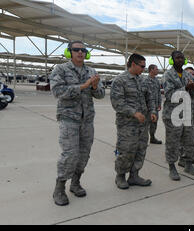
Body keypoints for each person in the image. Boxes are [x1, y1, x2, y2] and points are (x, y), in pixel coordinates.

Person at [50, 40, 105, 206]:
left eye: (83, 50)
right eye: (76, 50)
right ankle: (59, 188)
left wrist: (95, 87)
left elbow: (101, 94)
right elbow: (58, 91)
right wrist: (83, 86)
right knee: (70, 154)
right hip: (69, 119)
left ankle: (75, 182)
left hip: (87, 120)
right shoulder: (61, 69)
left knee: (84, 154)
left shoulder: (91, 71)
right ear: (70, 52)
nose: (80, 52)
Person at [110, 53, 156, 190]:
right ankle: (120, 176)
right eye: (142, 66)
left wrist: (153, 111)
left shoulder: (143, 81)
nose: (144, 69)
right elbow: (117, 103)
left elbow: (150, 98)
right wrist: (134, 113)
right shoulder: (120, 80)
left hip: (143, 124)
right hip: (127, 124)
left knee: (141, 149)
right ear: (133, 64)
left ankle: (134, 175)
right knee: (126, 150)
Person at [163, 51, 194, 180]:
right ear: (172, 60)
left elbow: (193, 96)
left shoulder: (187, 75)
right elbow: (169, 95)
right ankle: (172, 167)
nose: (180, 60)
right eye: (177, 58)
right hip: (173, 114)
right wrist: (186, 87)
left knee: (189, 140)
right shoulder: (168, 75)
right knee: (173, 142)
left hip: (187, 114)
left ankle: (188, 164)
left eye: (182, 58)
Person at [145, 64, 162, 144]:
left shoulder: (156, 81)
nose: (157, 70)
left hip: (155, 106)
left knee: (154, 123)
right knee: (145, 123)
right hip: (147, 106)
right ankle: (143, 140)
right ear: (151, 70)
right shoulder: (145, 80)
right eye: (156, 69)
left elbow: (159, 93)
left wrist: (159, 104)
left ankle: (152, 137)